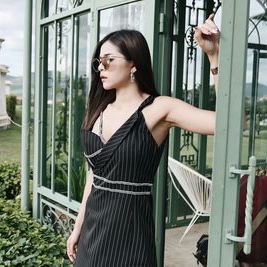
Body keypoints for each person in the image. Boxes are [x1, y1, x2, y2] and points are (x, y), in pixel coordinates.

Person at [66, 14, 220, 266]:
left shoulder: (160, 109)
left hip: (130, 236)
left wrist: (214, 57)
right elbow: (94, 177)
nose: (100, 68)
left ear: (133, 64)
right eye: (98, 63)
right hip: (91, 237)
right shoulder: (99, 110)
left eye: (108, 61)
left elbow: (225, 123)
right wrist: (77, 228)